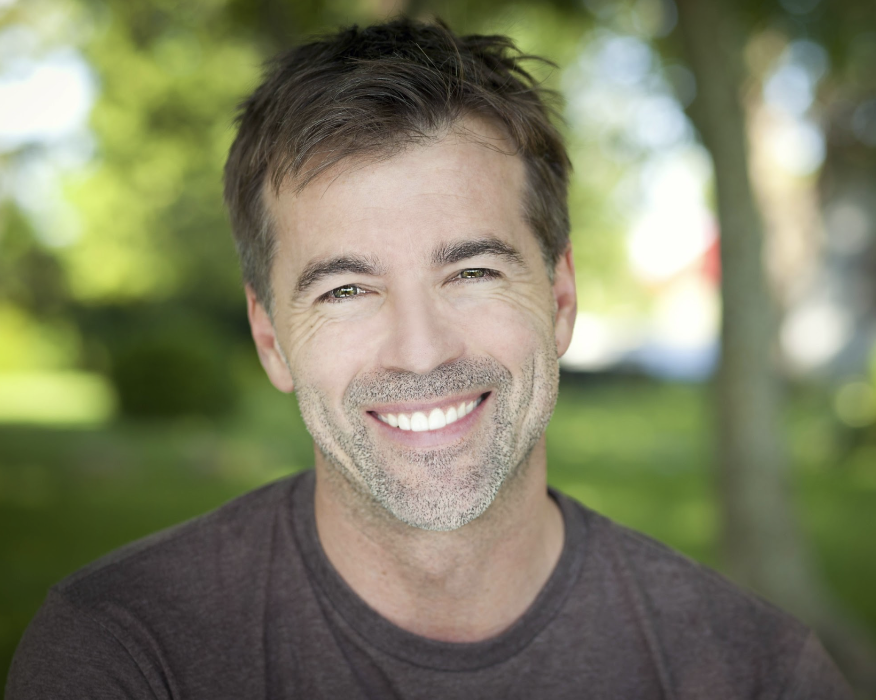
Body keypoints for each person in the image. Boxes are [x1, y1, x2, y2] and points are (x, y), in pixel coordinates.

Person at [6, 17, 852, 699]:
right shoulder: (124, 656)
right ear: (271, 339)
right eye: (346, 289)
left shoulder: (755, 674)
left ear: (559, 299)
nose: (420, 352)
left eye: (472, 272)